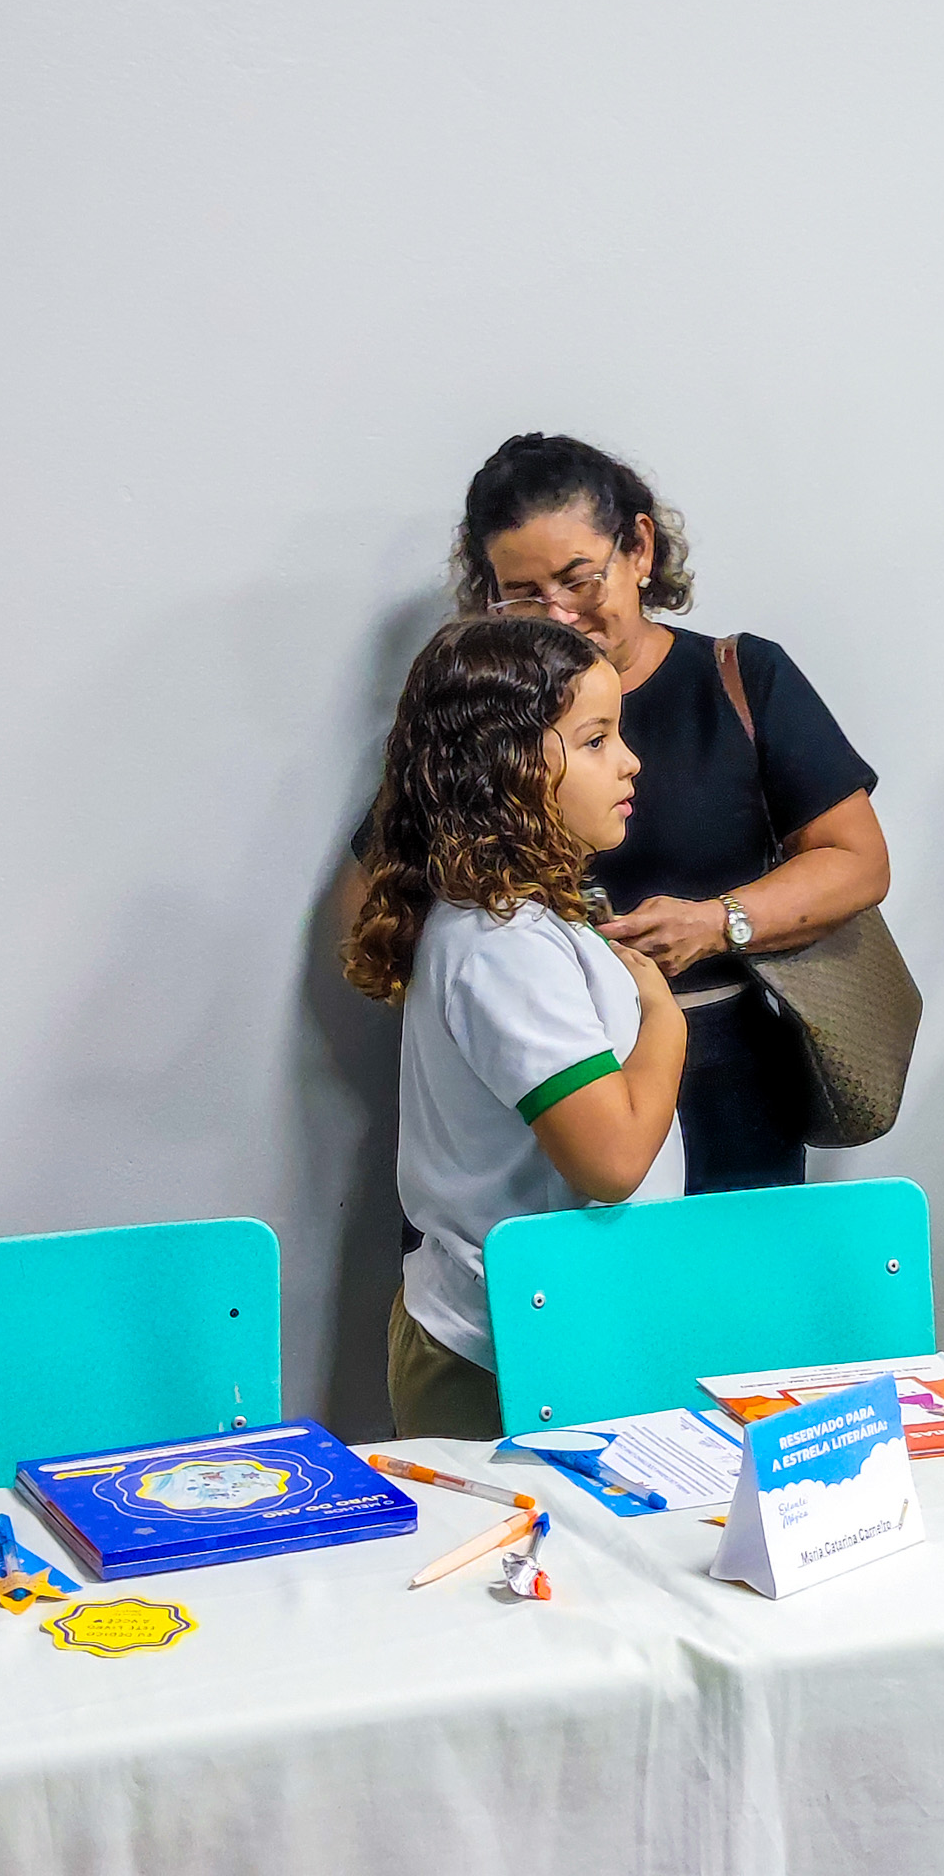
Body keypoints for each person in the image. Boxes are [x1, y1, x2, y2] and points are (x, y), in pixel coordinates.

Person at [446, 432, 890, 1194]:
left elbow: (858, 862)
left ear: (639, 548)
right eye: (522, 596)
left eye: (579, 580)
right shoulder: (482, 715)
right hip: (550, 1086)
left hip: (729, 1083)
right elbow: (386, 898)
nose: (558, 617)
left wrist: (719, 921)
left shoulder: (740, 678)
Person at [343, 615, 686, 1440]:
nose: (630, 761)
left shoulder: (515, 922)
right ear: (510, 766)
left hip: (551, 1326)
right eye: (596, 740)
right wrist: (666, 1021)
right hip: (500, 1355)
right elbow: (611, 1161)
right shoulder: (504, 944)